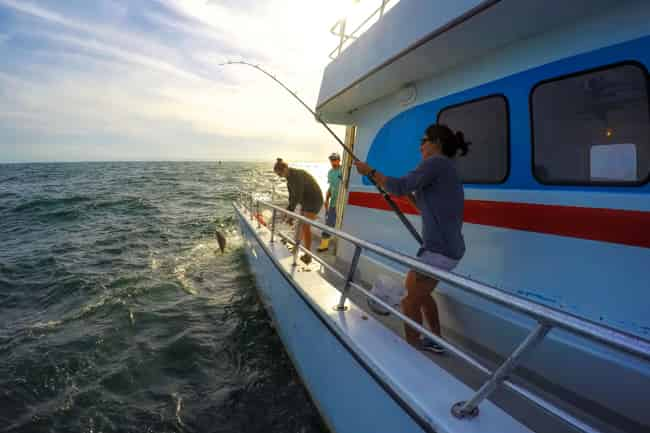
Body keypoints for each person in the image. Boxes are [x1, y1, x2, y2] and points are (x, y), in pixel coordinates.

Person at [354, 124, 469, 354]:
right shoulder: (447, 168)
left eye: (423, 140)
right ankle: (436, 339)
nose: (420, 146)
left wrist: (370, 172)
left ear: (436, 143)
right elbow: (425, 205)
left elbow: (398, 185)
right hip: (446, 249)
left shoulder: (435, 163)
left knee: (409, 301)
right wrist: (406, 196)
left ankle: (412, 351)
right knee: (421, 294)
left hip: (439, 251)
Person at [273, 158, 324, 264]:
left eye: (280, 173)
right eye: (278, 175)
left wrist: (290, 214)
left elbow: (297, 196)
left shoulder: (297, 175)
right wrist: (288, 212)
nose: (280, 176)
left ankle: (308, 255)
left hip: (314, 201)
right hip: (305, 202)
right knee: (299, 224)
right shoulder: (289, 180)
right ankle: (296, 246)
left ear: (286, 168)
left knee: (305, 226)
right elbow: (291, 197)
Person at [317, 152, 343, 252]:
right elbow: (330, 187)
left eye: (335, 160)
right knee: (329, 223)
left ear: (339, 160)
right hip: (332, 203)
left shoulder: (343, 171)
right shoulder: (330, 172)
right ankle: (324, 245)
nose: (333, 162)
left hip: (342, 204)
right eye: (331, 160)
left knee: (341, 224)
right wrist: (326, 199)